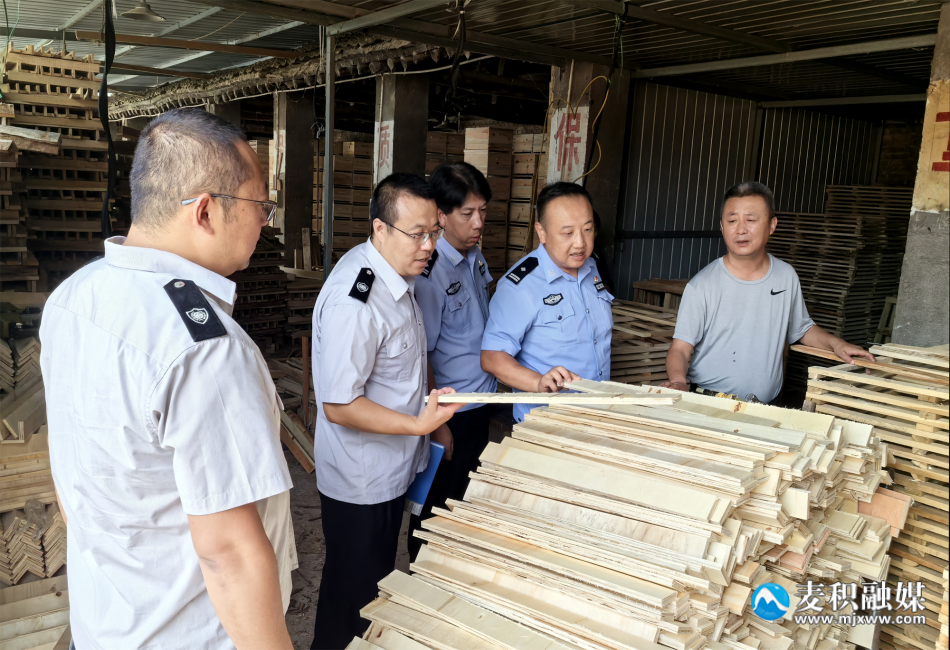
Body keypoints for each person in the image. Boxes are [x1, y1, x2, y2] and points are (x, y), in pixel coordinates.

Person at [39, 108, 297, 649]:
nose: (265, 222)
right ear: (205, 211)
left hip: (106, 624)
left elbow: (69, 474)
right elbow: (228, 554)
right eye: (261, 206)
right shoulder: (205, 350)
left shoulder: (73, 297)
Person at [309, 173, 464, 650]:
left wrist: (430, 426)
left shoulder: (399, 274)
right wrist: (417, 424)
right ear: (380, 228)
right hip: (363, 480)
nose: (429, 246)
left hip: (395, 464)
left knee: (373, 582)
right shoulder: (357, 301)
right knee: (352, 597)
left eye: (435, 232)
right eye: (417, 234)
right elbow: (339, 404)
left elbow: (410, 363)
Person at [662, 181, 874, 403]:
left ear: (772, 225)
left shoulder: (785, 276)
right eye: (732, 221)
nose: (741, 229)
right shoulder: (702, 285)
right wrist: (678, 380)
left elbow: (802, 329)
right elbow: (680, 349)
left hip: (767, 405)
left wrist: (837, 344)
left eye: (750, 220)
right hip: (710, 401)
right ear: (722, 227)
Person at [408, 162, 496, 560]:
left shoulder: (475, 257)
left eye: (483, 212)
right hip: (451, 412)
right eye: (468, 213)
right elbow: (422, 353)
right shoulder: (431, 273)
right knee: (434, 508)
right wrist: (439, 426)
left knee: (462, 503)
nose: (478, 223)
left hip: (480, 405)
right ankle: (420, 571)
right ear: (441, 216)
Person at [481, 182, 613, 423]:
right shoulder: (520, 285)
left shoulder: (591, 267)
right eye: (567, 233)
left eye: (587, 229)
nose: (580, 243)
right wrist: (537, 382)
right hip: (546, 424)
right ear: (541, 232)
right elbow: (492, 357)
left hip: (598, 416)